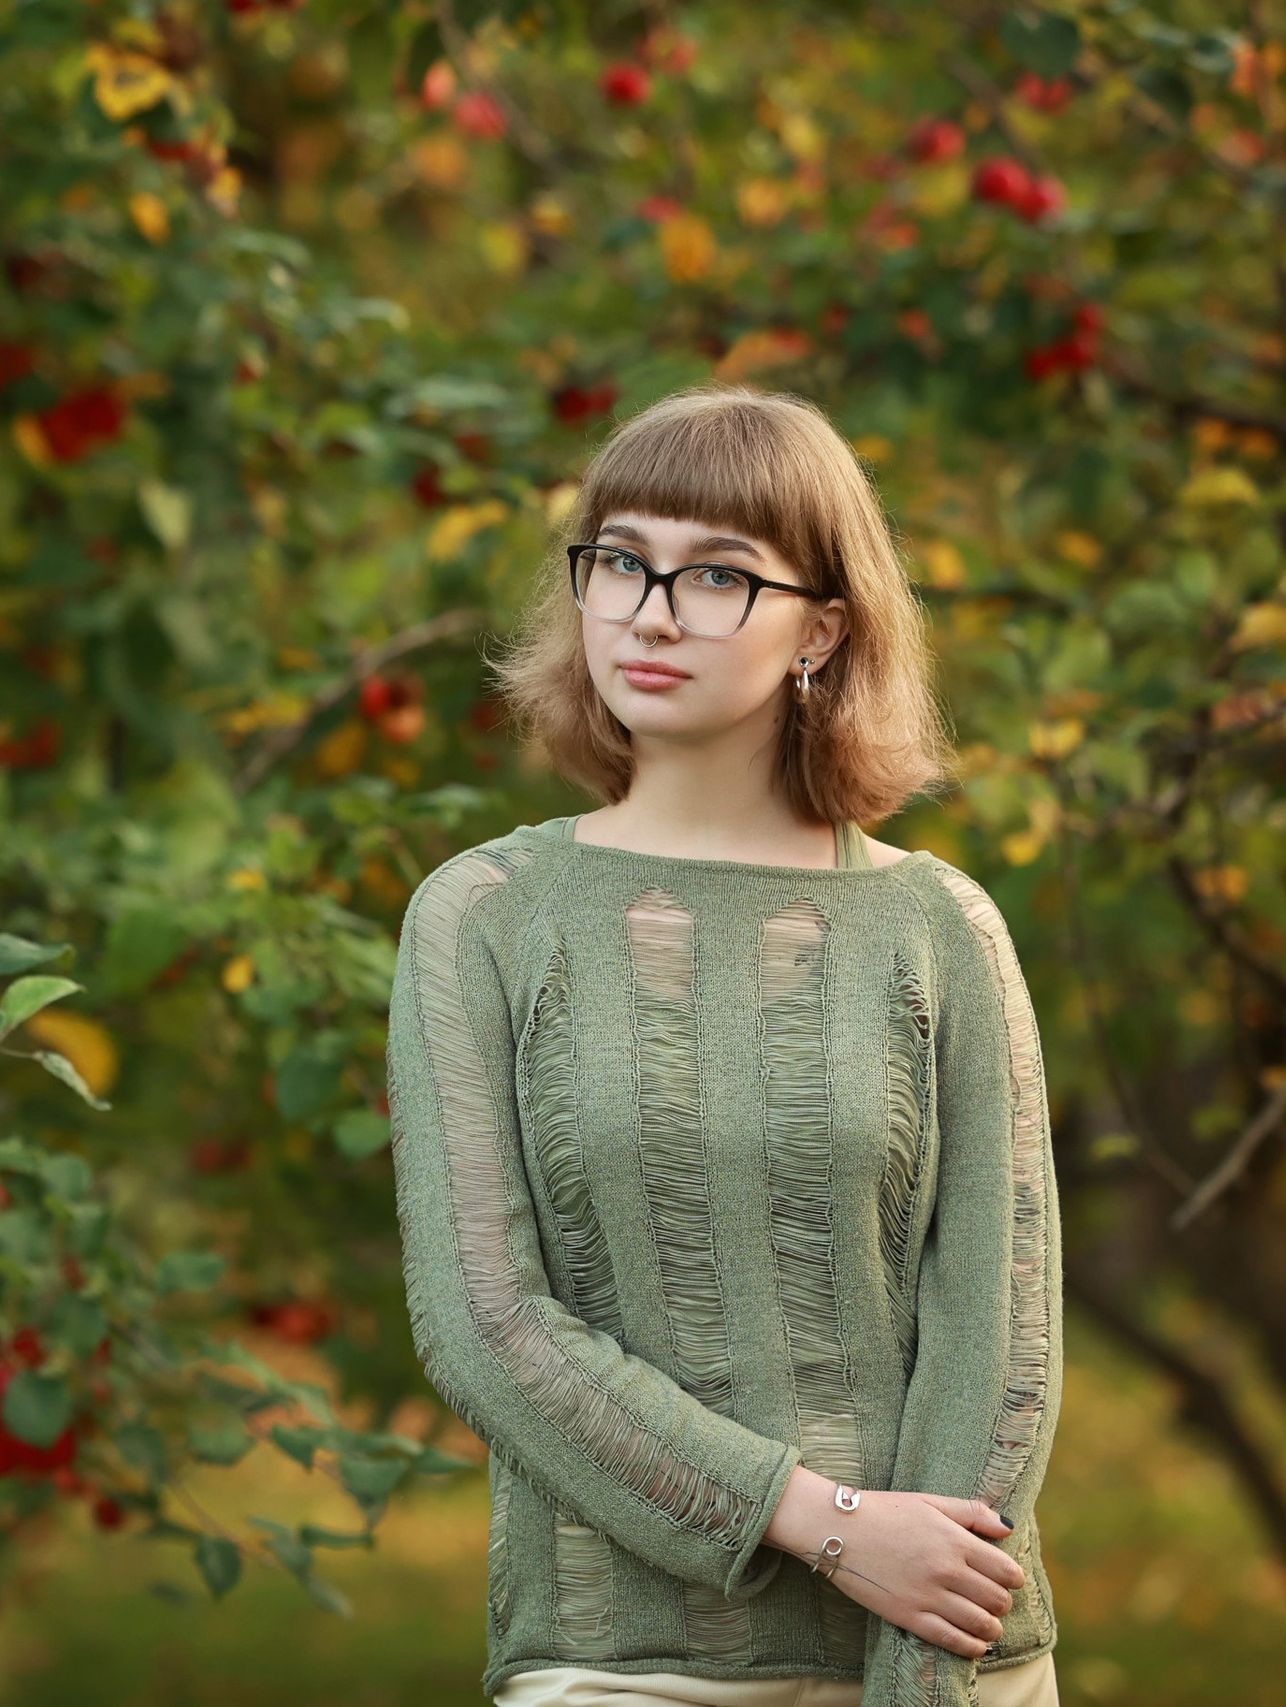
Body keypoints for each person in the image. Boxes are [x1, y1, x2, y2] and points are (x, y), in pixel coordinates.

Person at [386, 385, 1062, 1707]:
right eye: (620, 560)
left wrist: (921, 1659)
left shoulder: (942, 930)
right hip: (627, 1664)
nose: (647, 608)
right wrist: (820, 1522)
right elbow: (485, 1326)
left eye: (717, 576)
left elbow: (1002, 1330)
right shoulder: (482, 920)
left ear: (822, 628)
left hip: (941, 1659)